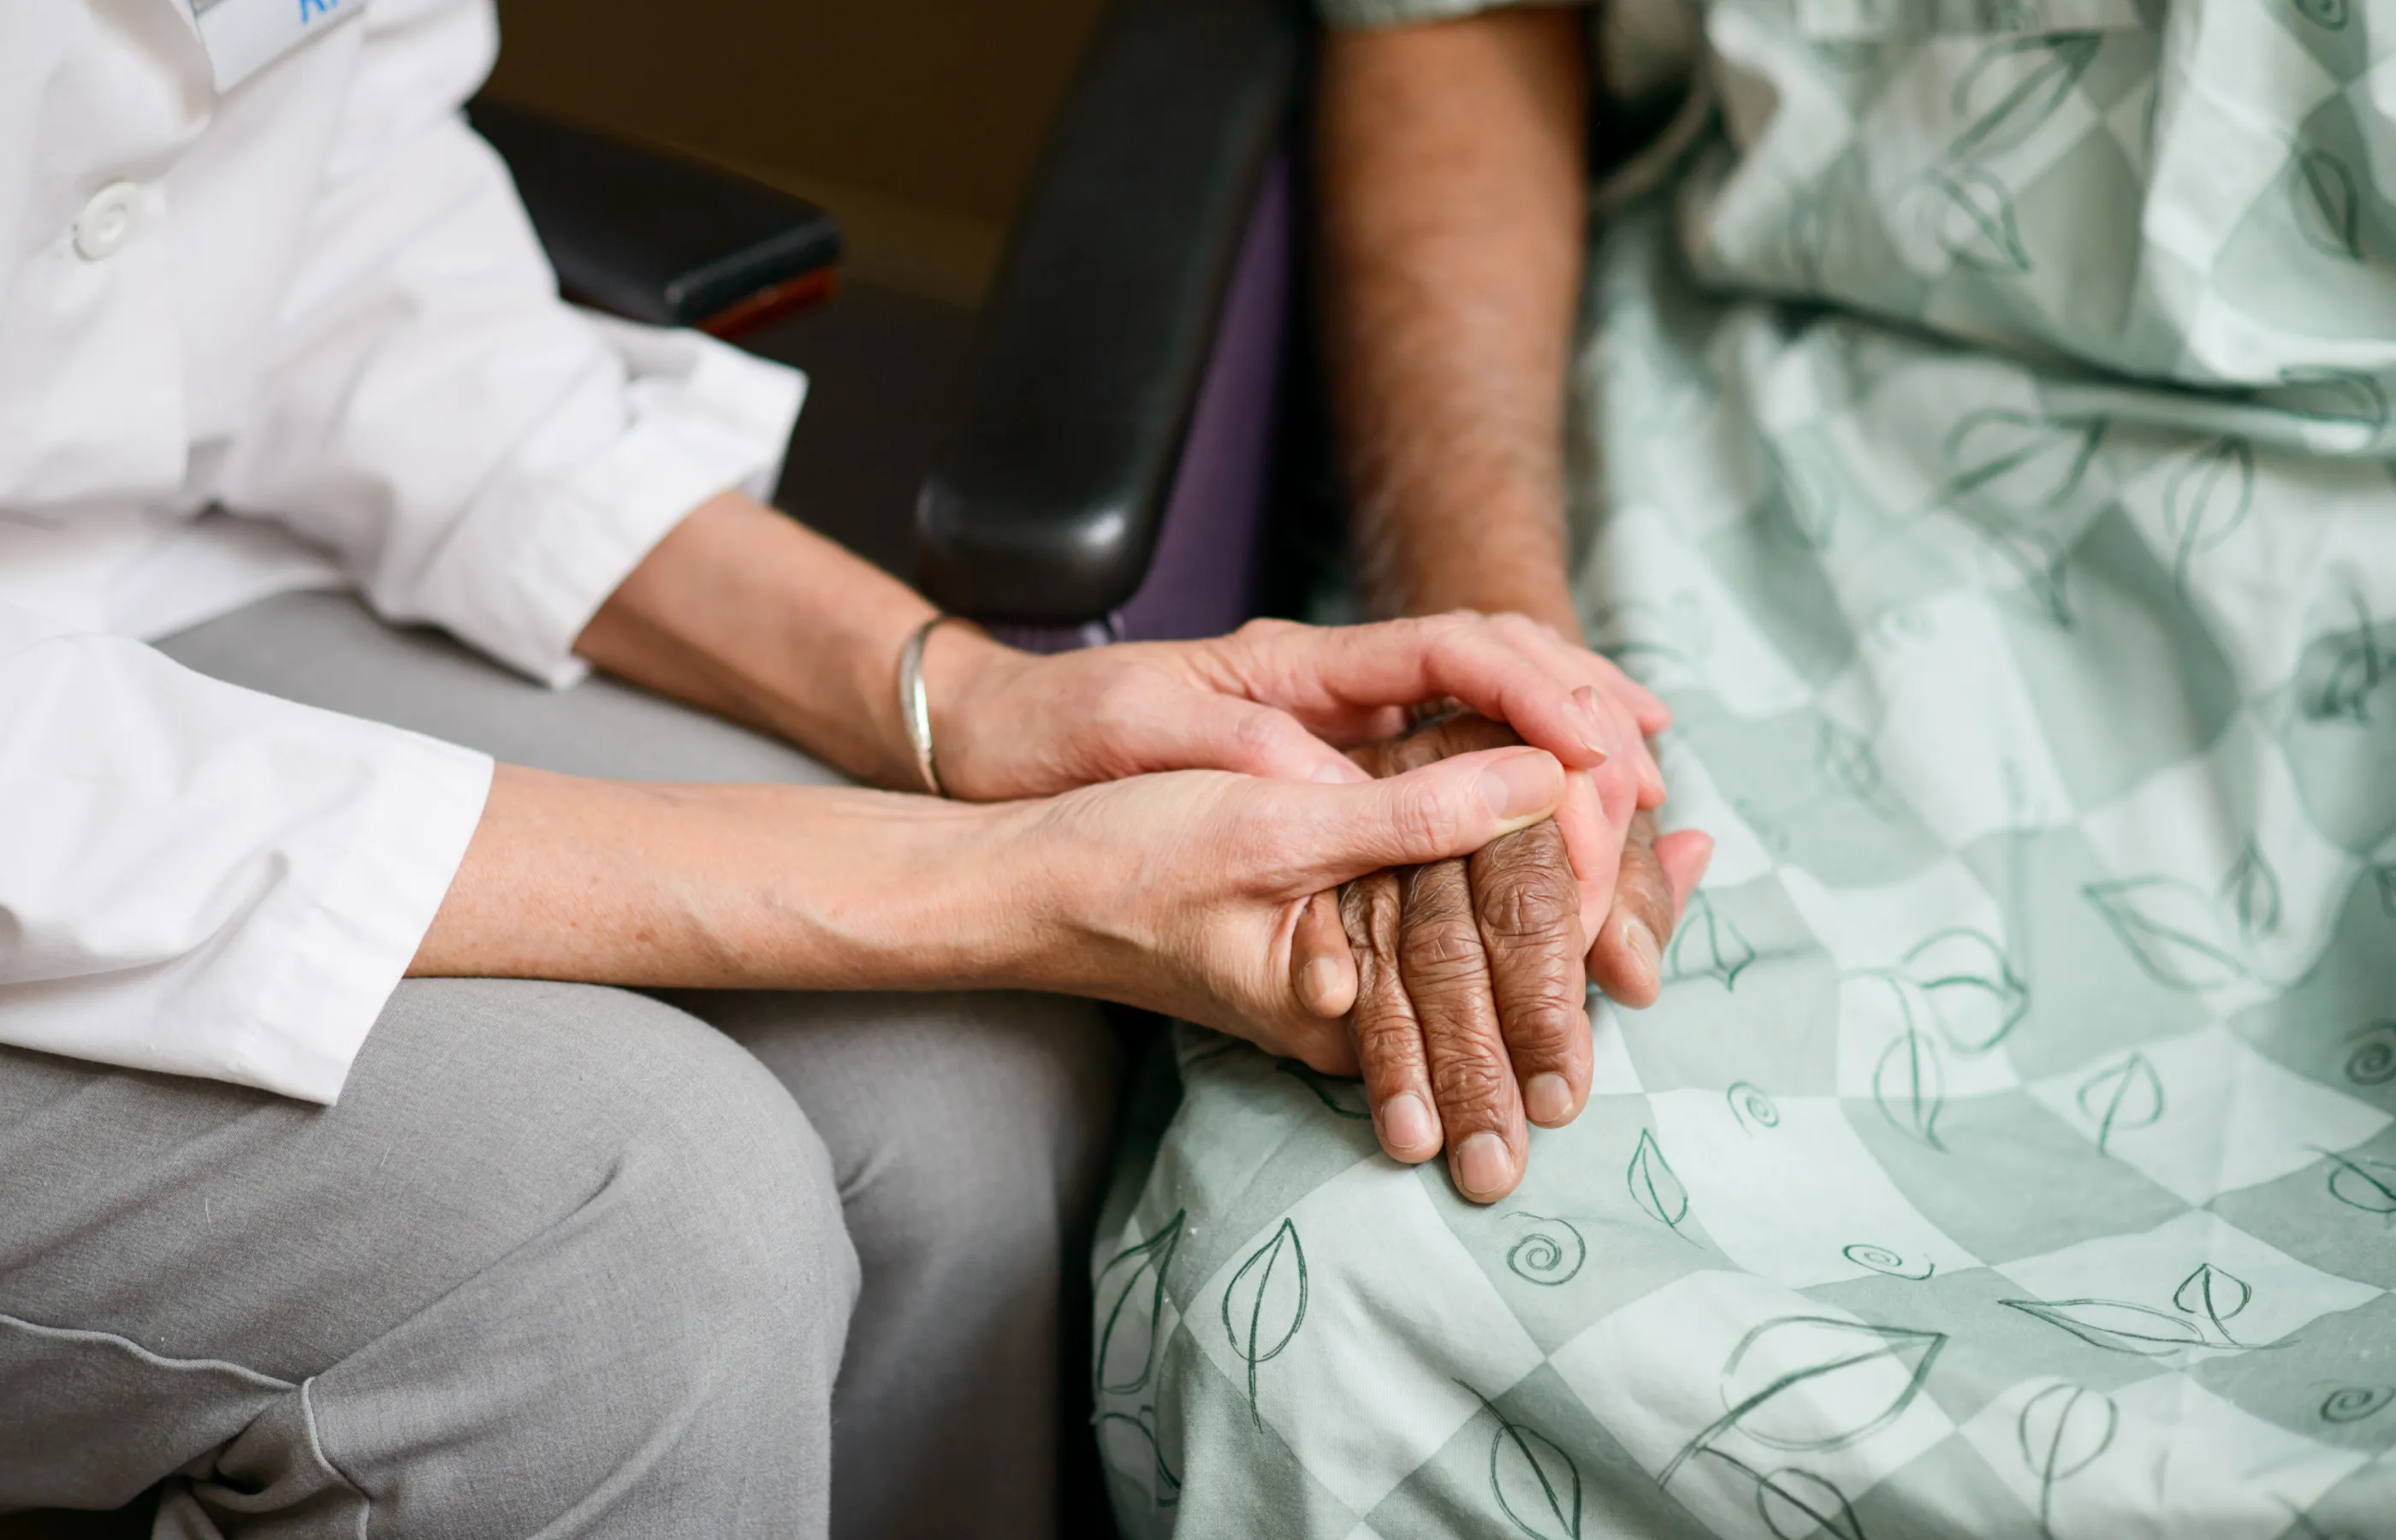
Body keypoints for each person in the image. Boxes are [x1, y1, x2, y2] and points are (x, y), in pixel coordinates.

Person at [0, 1, 1675, 1536]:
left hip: (130, 550)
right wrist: (1017, 880)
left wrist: (951, 703)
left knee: (961, 1083)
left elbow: (319, 228)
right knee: (627, 1245)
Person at [1094, 1, 2396, 1536]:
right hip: (1767, 424)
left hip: (2345, 541)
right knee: (1335, 1290)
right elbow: (1446, 24)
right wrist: (1503, 655)